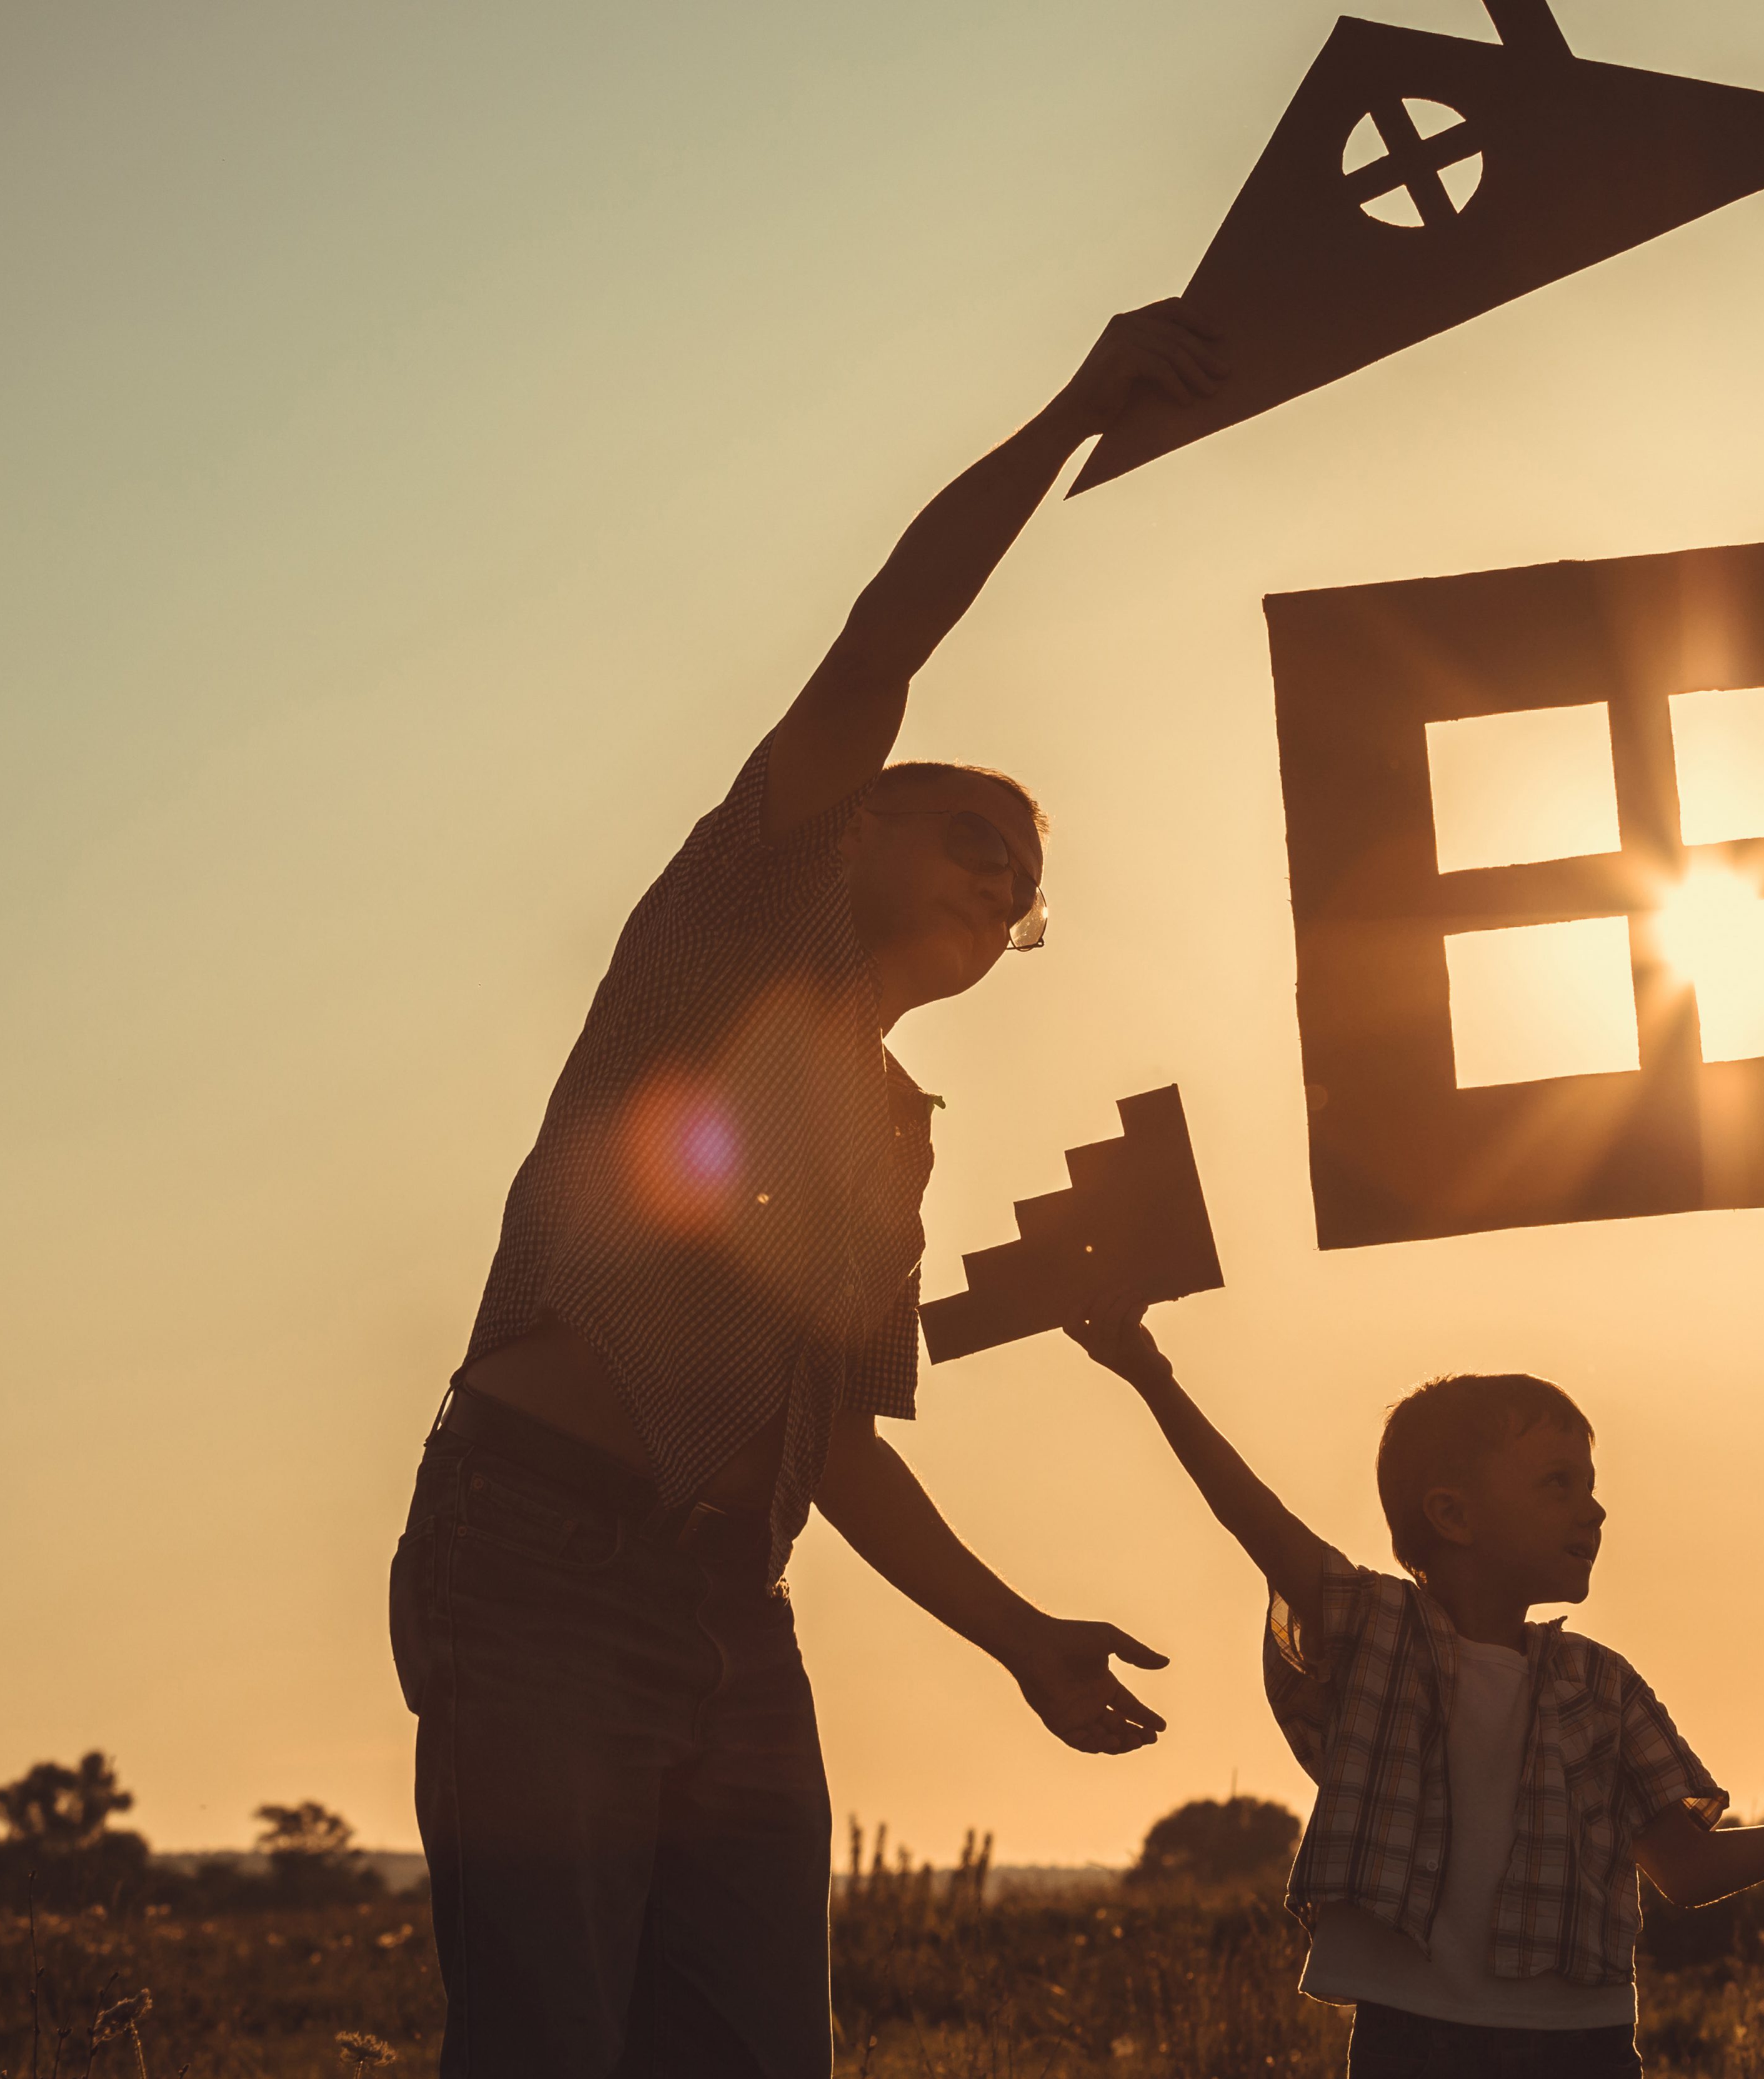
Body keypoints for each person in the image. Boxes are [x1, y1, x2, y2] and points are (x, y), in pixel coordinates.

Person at [388, 301, 1228, 2077]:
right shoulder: (720, 942)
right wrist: (1082, 401)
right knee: (546, 2047)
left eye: (1019, 892)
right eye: (963, 839)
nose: (995, 889)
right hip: (537, 1558)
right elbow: (884, 636)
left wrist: (1019, 1637)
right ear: (845, 827)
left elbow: (829, 1435)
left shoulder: (895, 1141)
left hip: (731, 1623)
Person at [1066, 1306, 1764, 2078]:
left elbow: (1682, 1869)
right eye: (1557, 1483)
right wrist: (1150, 1375)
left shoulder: (1602, 1685)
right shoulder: (1372, 1629)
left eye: (1590, 1483)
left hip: (1586, 2045)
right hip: (1412, 2037)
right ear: (1453, 1515)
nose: (1595, 1509)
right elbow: (1251, 1512)